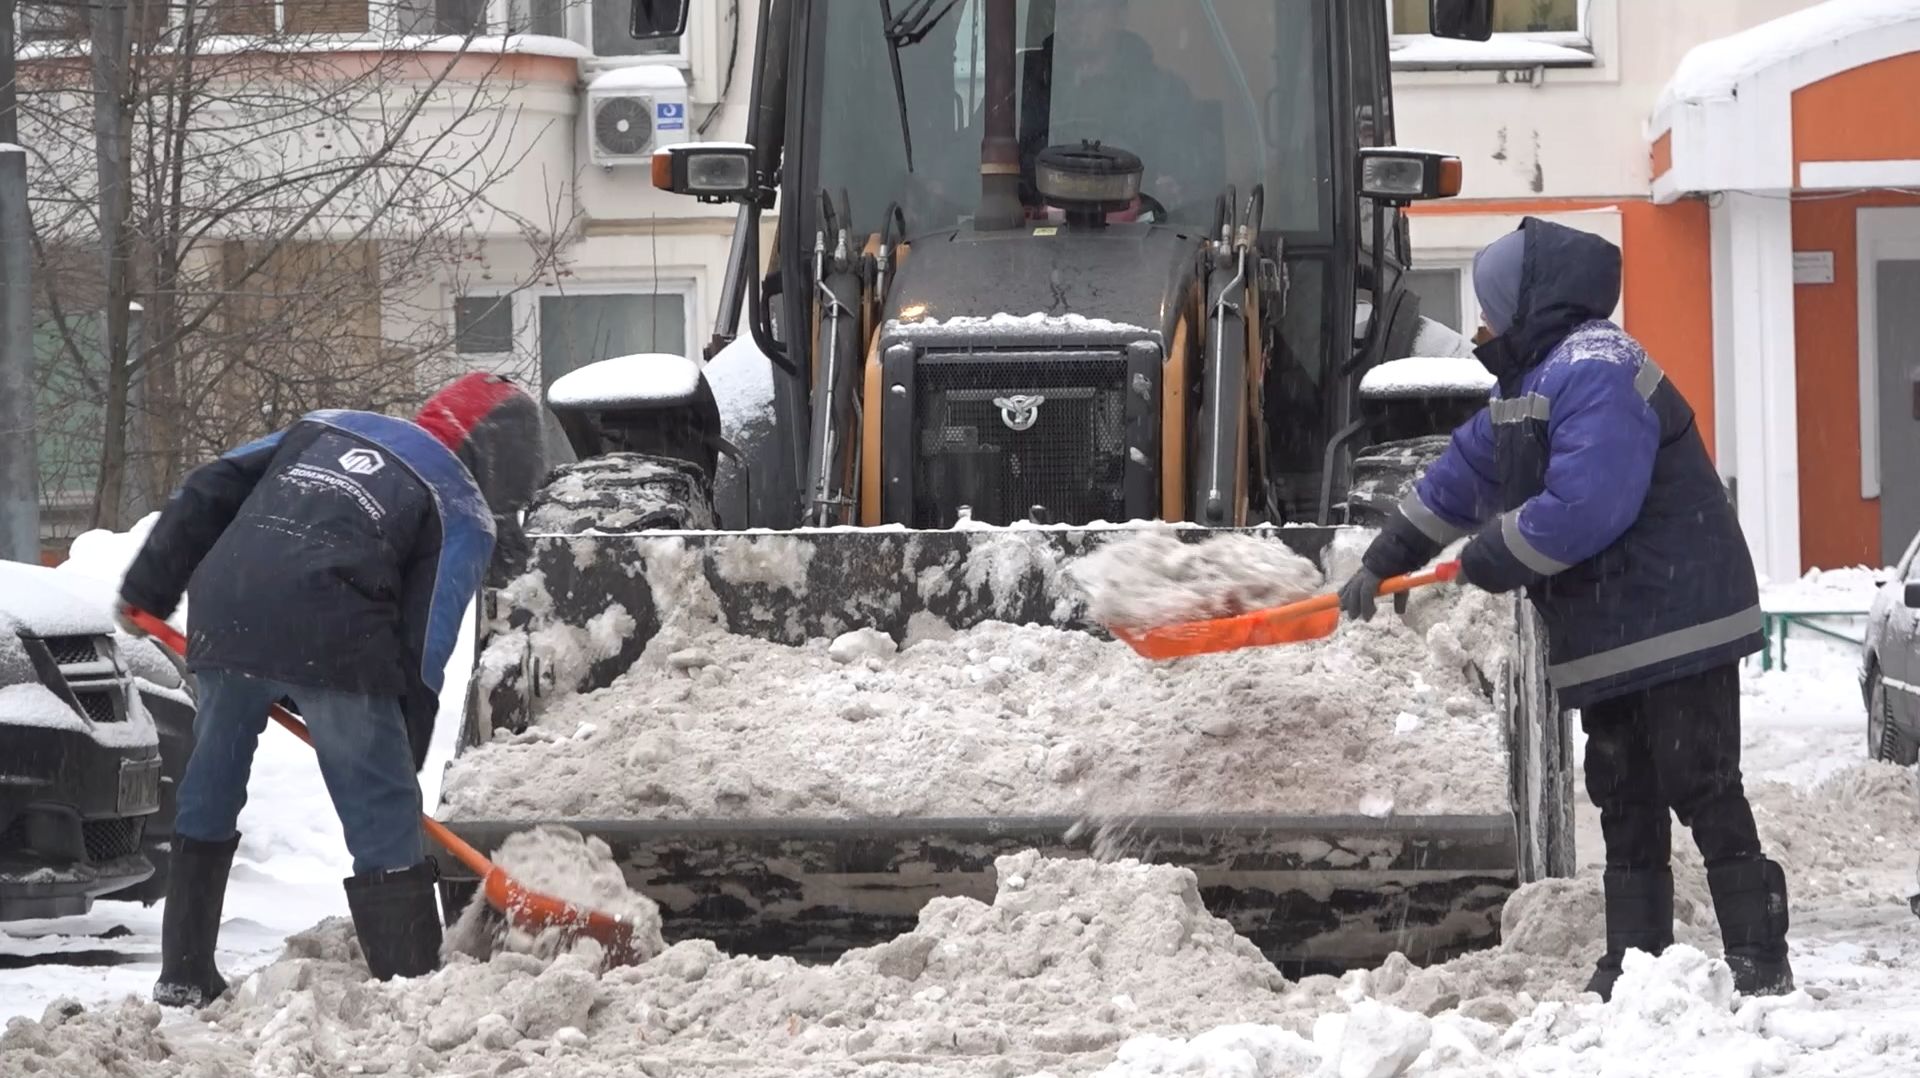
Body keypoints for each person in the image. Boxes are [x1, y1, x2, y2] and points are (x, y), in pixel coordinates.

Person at [1337, 219, 1793, 1001]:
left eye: (1489, 307)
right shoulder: (1529, 384)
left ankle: (1757, 951)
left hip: (1677, 618)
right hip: (1617, 631)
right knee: (1623, 790)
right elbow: (1460, 477)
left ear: (1529, 302)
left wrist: (1492, 553)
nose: (1479, 325)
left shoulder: (1597, 371)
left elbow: (1591, 505)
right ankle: (1636, 960)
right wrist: (1387, 556)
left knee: (1700, 780)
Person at [117, 373, 544, 1006]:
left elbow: (209, 485)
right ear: (507, 466)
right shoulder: (463, 507)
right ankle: (408, 987)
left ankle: (184, 973)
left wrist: (148, 586)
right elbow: (427, 642)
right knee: (381, 816)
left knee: (210, 786)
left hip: (227, 612)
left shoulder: (325, 425)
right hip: (335, 632)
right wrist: (401, 755)